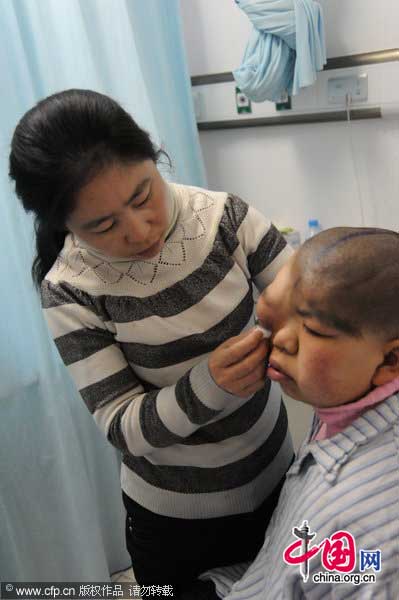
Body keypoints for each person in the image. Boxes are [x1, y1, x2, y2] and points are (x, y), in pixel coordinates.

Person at [9, 89, 294, 598]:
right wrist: (211, 385)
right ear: (63, 225)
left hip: (280, 479)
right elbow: (122, 425)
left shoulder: (224, 218)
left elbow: (307, 298)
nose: (140, 231)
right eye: (102, 226)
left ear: (153, 157)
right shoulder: (71, 289)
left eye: (143, 196)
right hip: (177, 524)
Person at [202, 227, 399, 598]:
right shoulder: (349, 392)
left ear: (390, 359)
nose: (280, 340)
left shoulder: (365, 528)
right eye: (272, 318)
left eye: (311, 329)